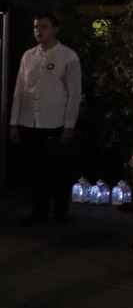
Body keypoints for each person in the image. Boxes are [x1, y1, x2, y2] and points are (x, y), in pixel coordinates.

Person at [9, 12, 82, 225]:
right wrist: (14, 122)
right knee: (35, 170)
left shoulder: (68, 57)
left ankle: (60, 212)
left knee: (57, 170)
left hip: (54, 122)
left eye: (44, 26)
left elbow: (74, 93)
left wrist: (69, 124)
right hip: (29, 121)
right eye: (36, 27)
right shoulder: (28, 56)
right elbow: (19, 90)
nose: (39, 31)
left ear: (55, 29)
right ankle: (38, 211)